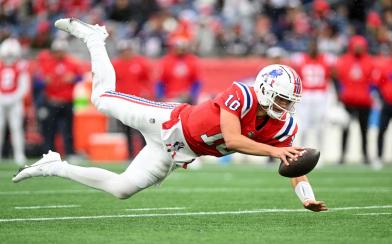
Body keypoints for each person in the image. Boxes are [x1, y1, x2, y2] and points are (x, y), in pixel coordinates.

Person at [12, 18, 327, 212]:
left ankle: (55, 166)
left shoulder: (282, 124)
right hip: (168, 120)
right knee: (101, 99)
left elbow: (292, 162)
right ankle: (95, 38)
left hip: (176, 151)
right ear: (267, 89)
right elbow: (233, 138)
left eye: (290, 102)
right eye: (284, 100)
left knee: (122, 190)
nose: (287, 107)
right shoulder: (241, 95)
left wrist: (306, 197)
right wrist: (275, 151)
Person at [35, 38, 83, 158]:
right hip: (51, 101)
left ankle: (70, 153)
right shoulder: (46, 64)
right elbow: (36, 83)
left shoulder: (72, 63)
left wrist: (73, 79)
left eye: (61, 51)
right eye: (56, 51)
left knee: (68, 130)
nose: (59, 53)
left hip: (67, 102)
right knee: (50, 130)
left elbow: (81, 77)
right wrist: (44, 81)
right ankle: (49, 154)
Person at [290, 39, 336, 165]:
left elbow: (334, 74)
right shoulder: (300, 59)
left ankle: (319, 155)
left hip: (321, 95)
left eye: (315, 46)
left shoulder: (326, 59)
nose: (313, 48)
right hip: (305, 95)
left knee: (320, 128)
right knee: (303, 127)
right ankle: (301, 154)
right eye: (311, 46)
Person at [335, 35, 374, 165]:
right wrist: (340, 94)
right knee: (345, 129)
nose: (358, 48)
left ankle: (365, 155)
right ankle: (342, 155)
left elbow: (373, 81)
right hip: (349, 101)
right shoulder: (344, 60)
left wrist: (371, 94)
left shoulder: (369, 61)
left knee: (364, 130)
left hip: (364, 102)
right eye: (356, 46)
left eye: (360, 46)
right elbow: (338, 78)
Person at [112, 39, 152, 159]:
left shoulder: (140, 63)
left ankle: (146, 154)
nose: (126, 53)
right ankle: (130, 155)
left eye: (128, 50)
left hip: (139, 102)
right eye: (124, 51)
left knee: (143, 129)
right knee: (126, 130)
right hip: (123, 102)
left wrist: (147, 93)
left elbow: (148, 80)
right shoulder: (115, 64)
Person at [0, 38, 29, 165]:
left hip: (15, 101)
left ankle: (19, 154)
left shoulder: (21, 66)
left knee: (16, 128)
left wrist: (13, 97)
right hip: (1, 101)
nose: (9, 58)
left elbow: (24, 86)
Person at [156, 36, 201, 104]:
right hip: (169, 98)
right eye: (178, 48)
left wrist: (192, 95)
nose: (180, 50)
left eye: (182, 48)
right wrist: (160, 97)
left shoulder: (192, 60)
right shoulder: (165, 61)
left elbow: (197, 82)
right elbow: (160, 82)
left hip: (186, 99)